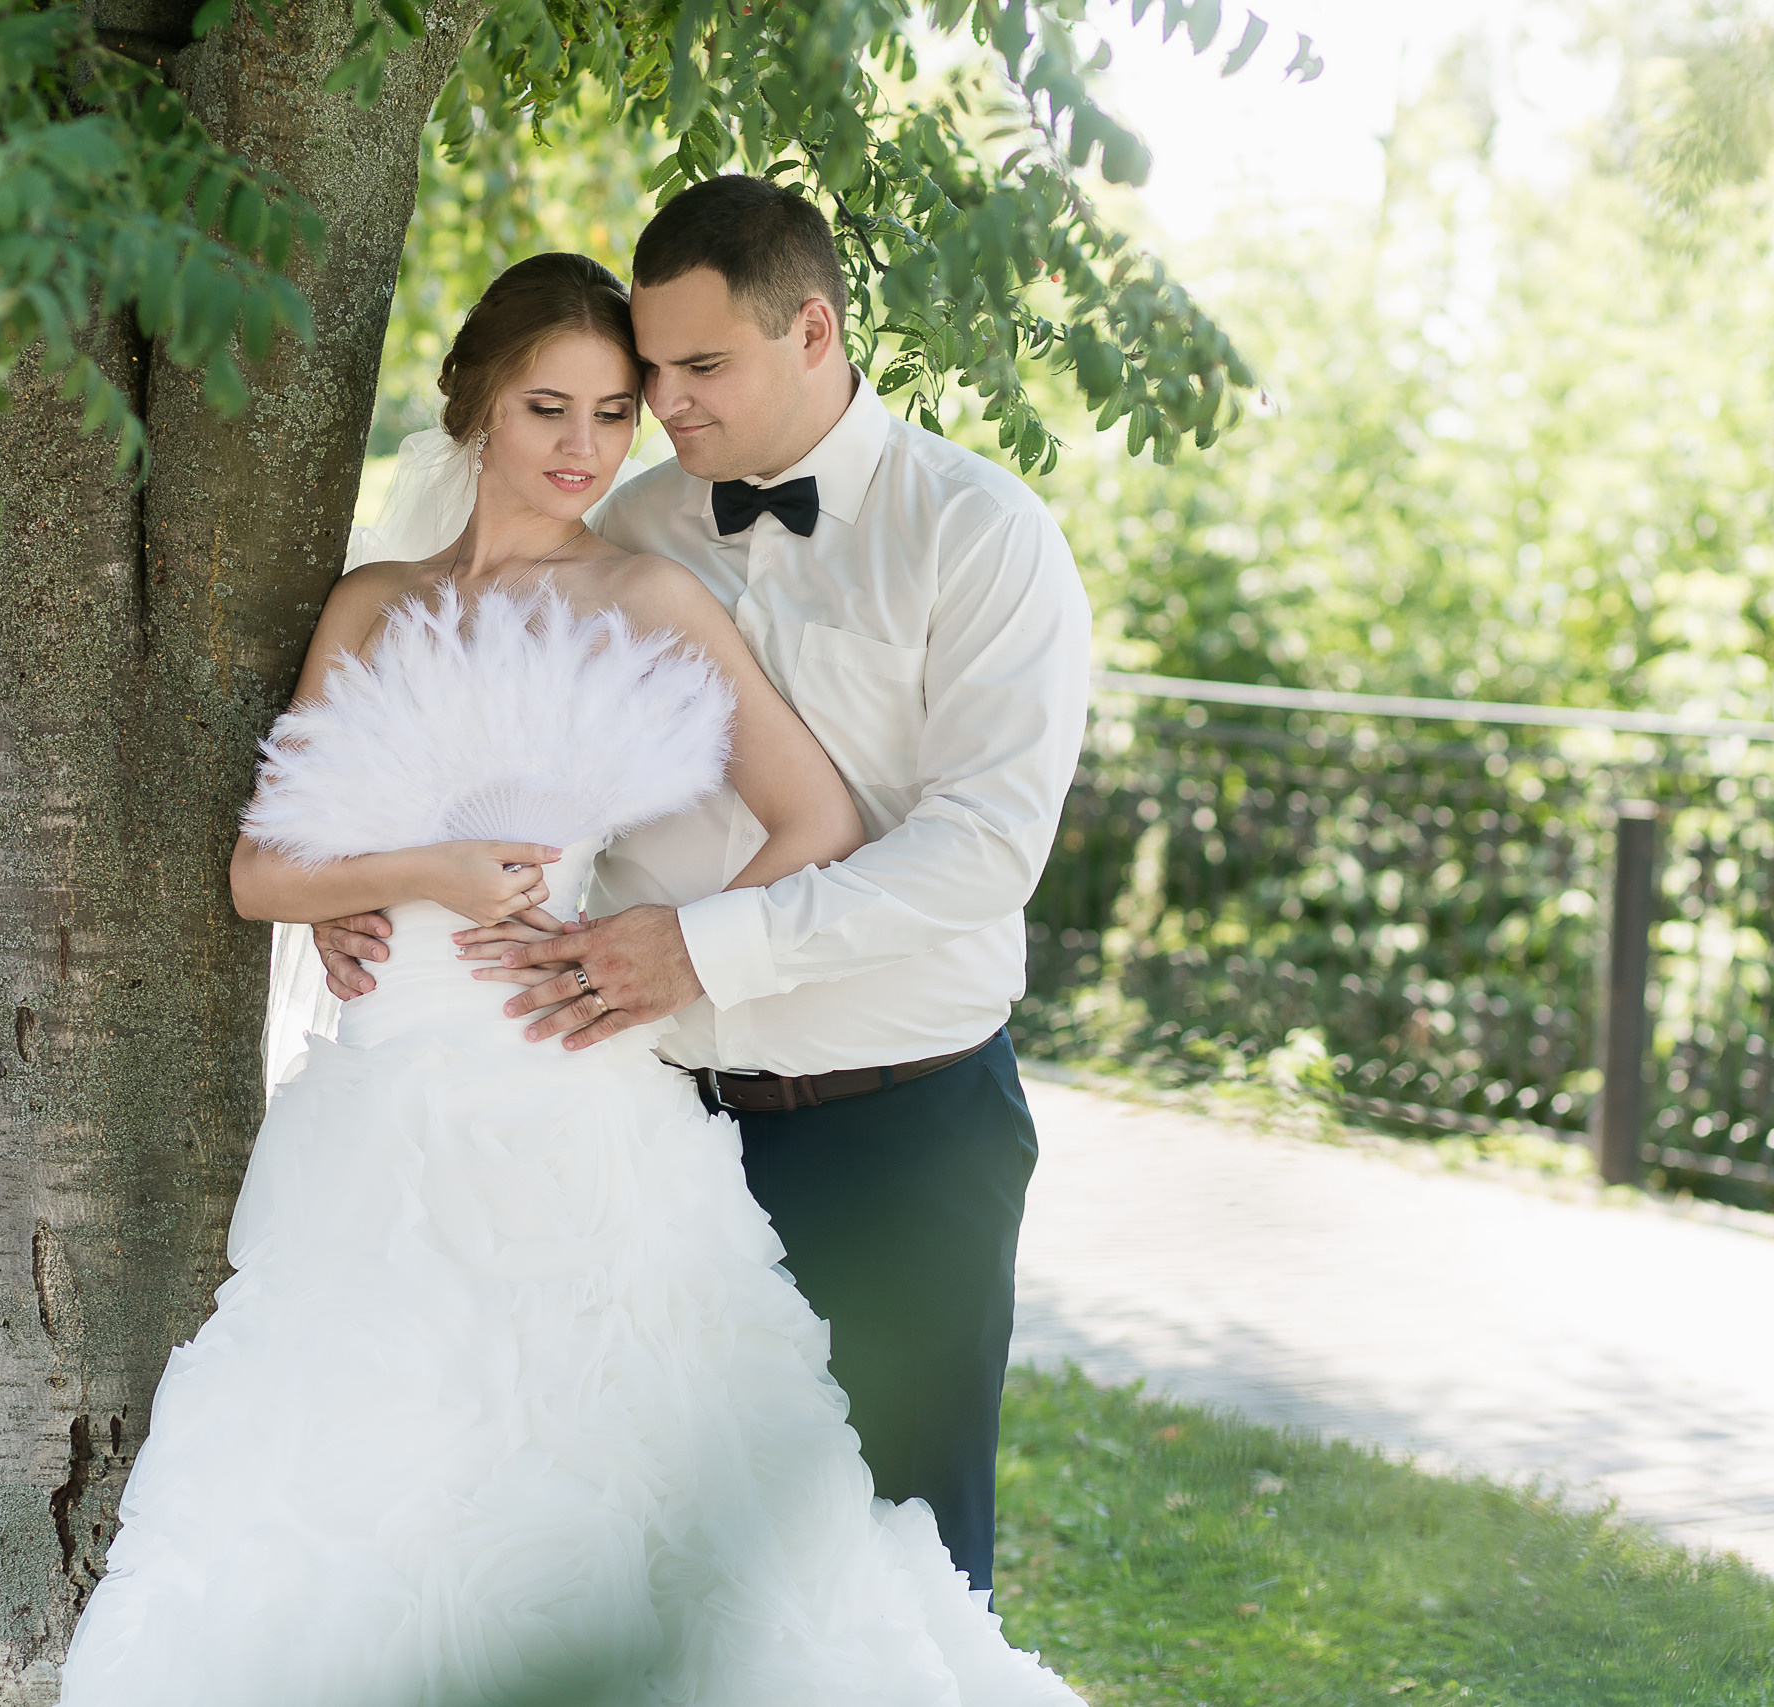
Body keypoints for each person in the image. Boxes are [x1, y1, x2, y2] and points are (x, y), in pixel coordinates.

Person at [55, 252, 1080, 1705]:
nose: (587, 446)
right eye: (551, 406)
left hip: (579, 1097)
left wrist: (670, 952)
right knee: (366, 1481)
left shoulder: (649, 587)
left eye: (616, 413)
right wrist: (406, 877)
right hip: (384, 1117)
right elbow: (260, 877)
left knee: (623, 1491)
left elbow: (822, 821)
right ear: (476, 401)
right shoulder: (371, 605)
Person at [312, 175, 1093, 1593]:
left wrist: (708, 949)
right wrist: (374, 889)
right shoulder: (627, 523)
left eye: (697, 368)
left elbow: (983, 850)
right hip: (643, 1123)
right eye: (648, 372)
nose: (661, 406)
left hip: (895, 1127)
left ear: (814, 329)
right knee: (658, 1562)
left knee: (897, 1563)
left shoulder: (979, 537)